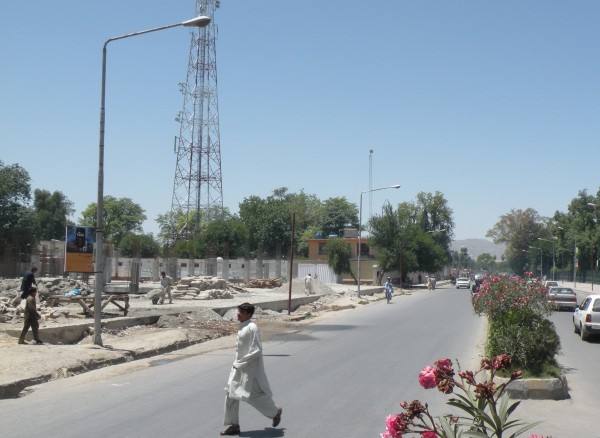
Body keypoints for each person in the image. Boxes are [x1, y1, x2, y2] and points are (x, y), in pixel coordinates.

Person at [221, 303, 282, 436]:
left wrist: (240, 363)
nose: (238, 314)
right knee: (231, 393)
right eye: (238, 311)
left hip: (249, 370)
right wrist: (238, 364)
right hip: (239, 367)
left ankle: (275, 411)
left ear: (249, 314)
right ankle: (234, 425)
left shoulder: (252, 328)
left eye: (241, 312)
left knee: (252, 396)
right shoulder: (243, 326)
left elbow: (256, 350)